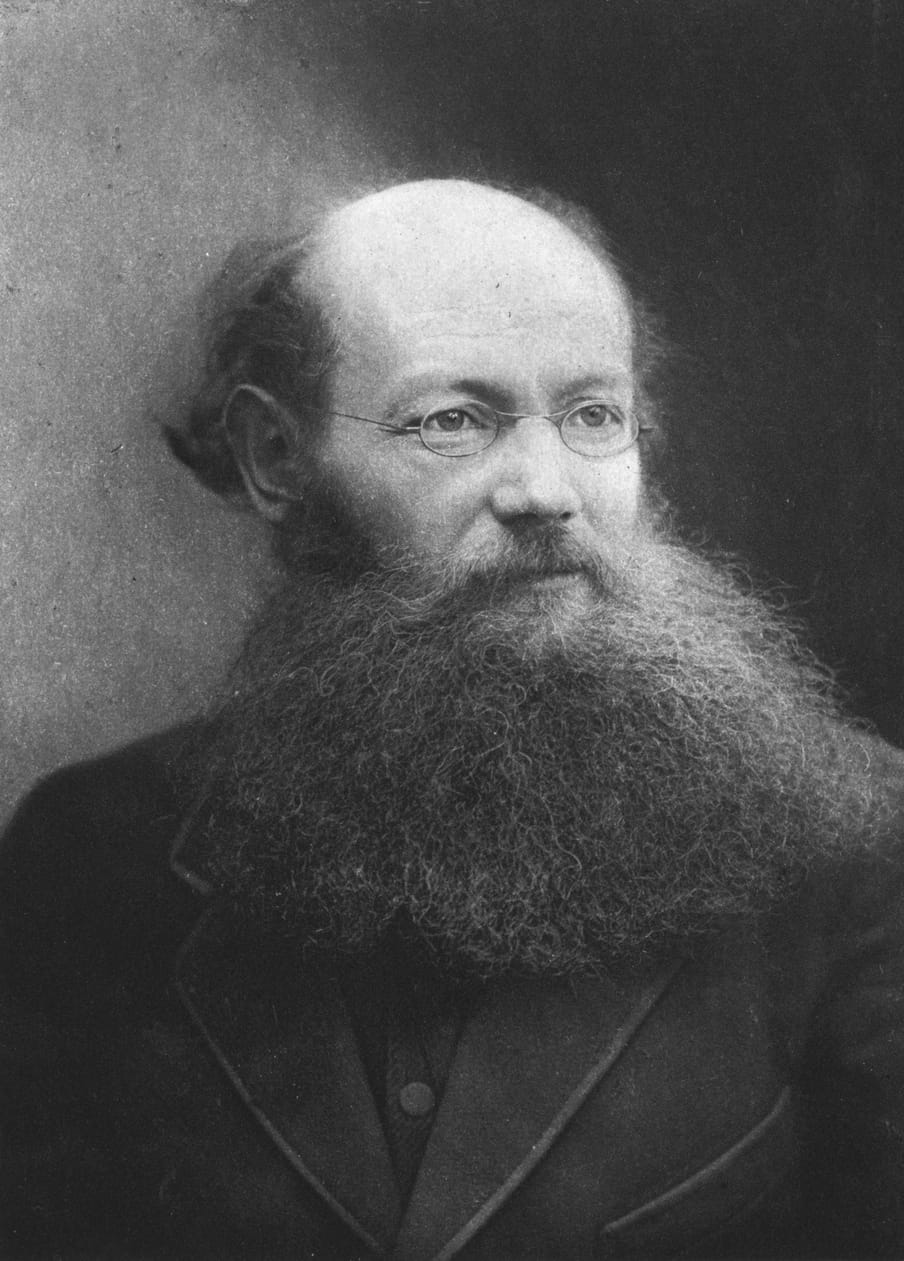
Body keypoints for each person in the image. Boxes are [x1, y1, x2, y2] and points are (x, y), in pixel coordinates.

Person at [2, 179, 903, 1260]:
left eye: (592, 415)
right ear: (276, 460)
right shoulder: (88, 856)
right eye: (452, 421)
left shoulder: (851, 840)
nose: (545, 489)